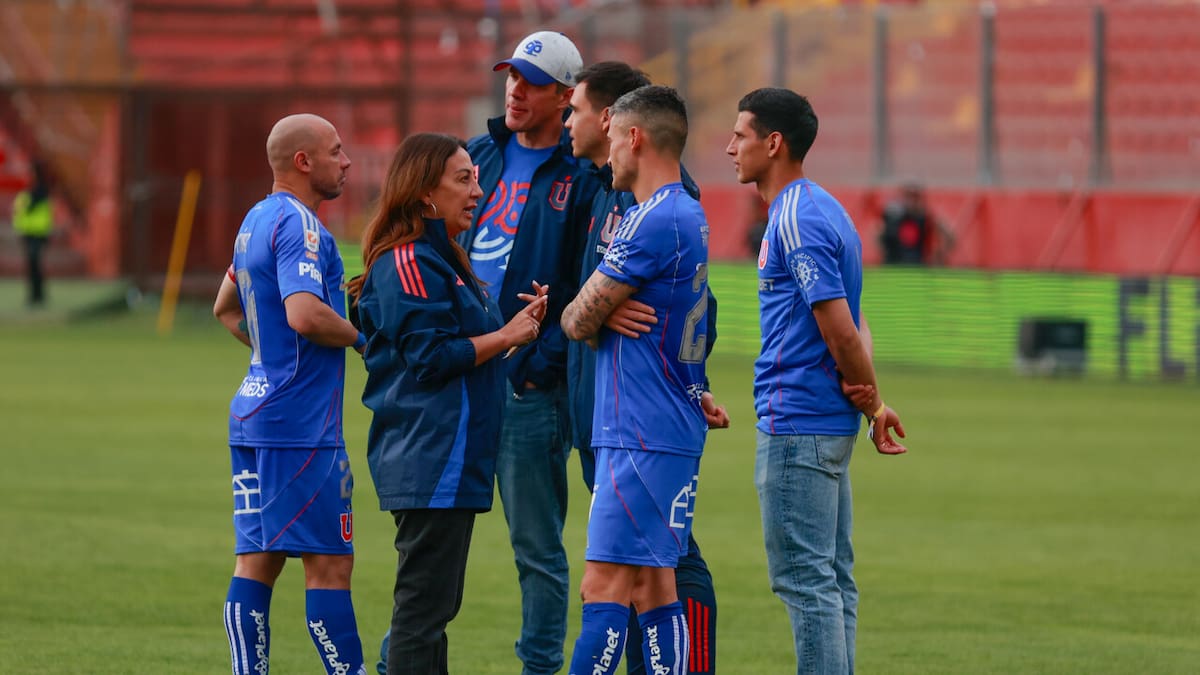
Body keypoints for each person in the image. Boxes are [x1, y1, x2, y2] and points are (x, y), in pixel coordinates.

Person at [348, 133, 548, 675]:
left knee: (435, 609)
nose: (478, 190)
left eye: (476, 177)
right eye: (464, 179)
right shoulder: (410, 260)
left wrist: (518, 327)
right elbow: (431, 357)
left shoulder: (444, 258)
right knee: (422, 611)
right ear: (424, 193)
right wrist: (506, 337)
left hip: (452, 460)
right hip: (431, 456)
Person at [725, 88, 907, 675]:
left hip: (796, 424)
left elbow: (841, 330)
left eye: (740, 135)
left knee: (805, 585)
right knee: (832, 581)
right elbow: (857, 320)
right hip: (824, 424)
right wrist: (871, 402)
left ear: (773, 143)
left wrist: (874, 399)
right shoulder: (827, 208)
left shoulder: (796, 217)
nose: (730, 147)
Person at [564, 62, 723, 675]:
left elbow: (577, 320)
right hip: (655, 426)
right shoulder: (680, 213)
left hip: (639, 433)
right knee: (654, 588)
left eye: (612, 138)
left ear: (634, 138)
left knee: (602, 587)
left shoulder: (656, 217)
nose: (605, 152)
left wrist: (595, 307)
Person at [457, 29, 596, 675]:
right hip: (459, 376)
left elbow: (585, 281)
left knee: (536, 550)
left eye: (534, 82)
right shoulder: (476, 156)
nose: (516, 89)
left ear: (567, 97)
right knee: (432, 539)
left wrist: (540, 368)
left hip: (528, 389)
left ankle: (540, 668)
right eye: (512, 75)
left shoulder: (583, 175)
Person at [211, 113, 367, 675]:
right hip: (301, 429)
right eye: (335, 150)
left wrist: (273, 360)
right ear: (304, 162)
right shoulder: (301, 226)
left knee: (256, 563)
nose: (345, 161)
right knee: (329, 567)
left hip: (253, 412)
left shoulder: (253, 221)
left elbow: (226, 308)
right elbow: (303, 314)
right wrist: (362, 340)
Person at [879, 182, 953, 265]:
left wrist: (938, 256)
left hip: (917, 267)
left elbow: (949, 235)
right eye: (908, 196)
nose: (911, 201)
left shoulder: (926, 216)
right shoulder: (894, 216)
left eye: (914, 197)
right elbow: (878, 235)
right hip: (894, 266)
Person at [12, 160, 53, 306]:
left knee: (35, 263)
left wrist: (23, 204)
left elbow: (28, 207)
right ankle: (35, 295)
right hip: (28, 232)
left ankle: (38, 294)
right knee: (32, 264)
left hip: (38, 232)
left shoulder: (40, 191)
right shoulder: (28, 192)